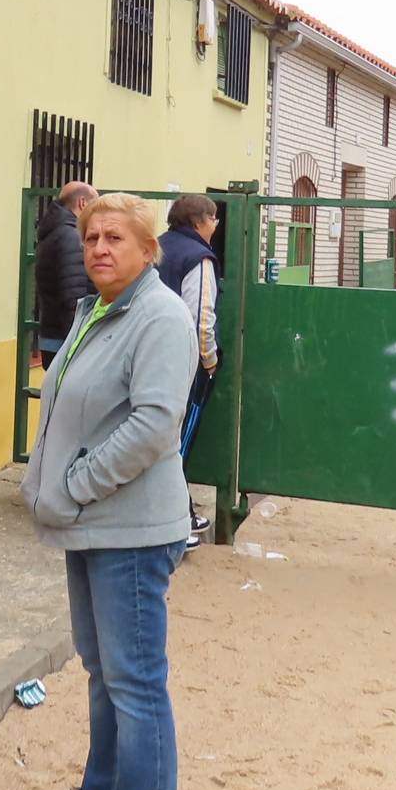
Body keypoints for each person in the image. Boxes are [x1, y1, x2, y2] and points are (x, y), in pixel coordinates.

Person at [22, 192, 198, 790]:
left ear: (148, 250)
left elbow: (155, 425)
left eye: (115, 238)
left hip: (128, 527)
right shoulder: (98, 310)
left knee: (135, 682)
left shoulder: (158, 318)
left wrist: (76, 484)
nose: (98, 248)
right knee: (103, 670)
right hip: (92, 522)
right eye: (91, 236)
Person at [157, 192, 222, 543]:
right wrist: (209, 363)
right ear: (199, 222)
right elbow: (200, 319)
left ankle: (179, 513)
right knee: (177, 443)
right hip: (184, 366)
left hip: (147, 358)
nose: (216, 225)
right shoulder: (199, 259)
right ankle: (175, 522)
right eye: (213, 219)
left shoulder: (153, 247)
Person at [33, 182, 96, 370]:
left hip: (53, 334)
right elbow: (73, 296)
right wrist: (78, 344)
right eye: (96, 204)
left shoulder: (53, 231)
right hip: (66, 340)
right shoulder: (71, 236)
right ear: (83, 203)